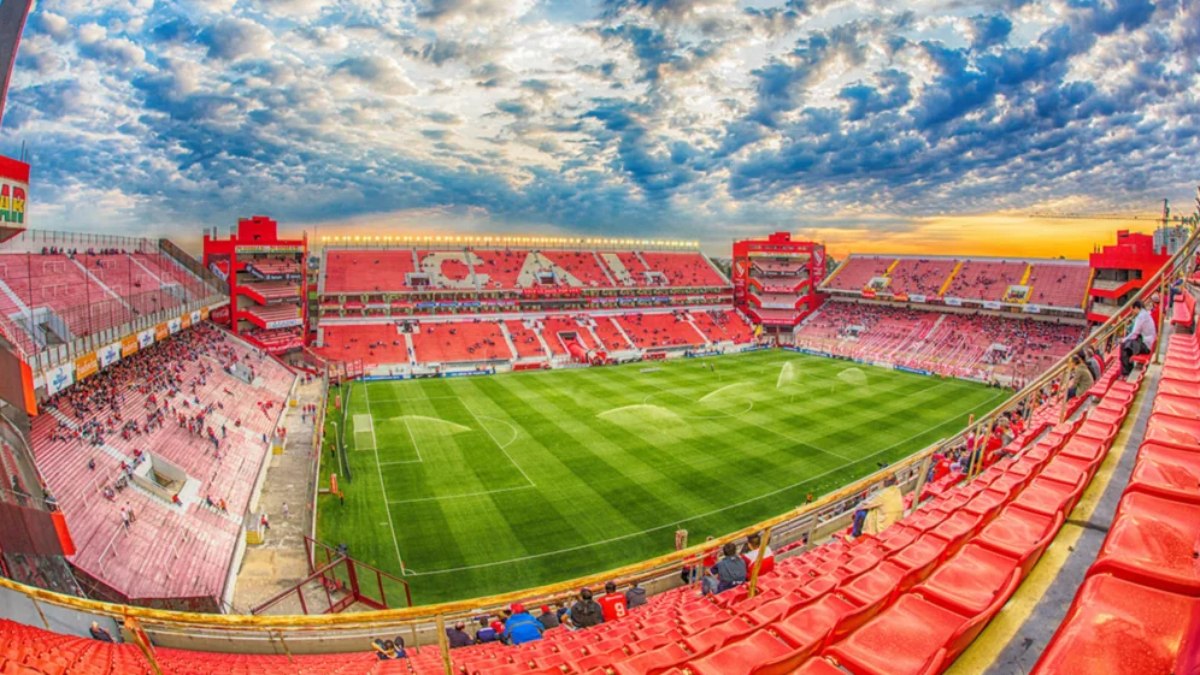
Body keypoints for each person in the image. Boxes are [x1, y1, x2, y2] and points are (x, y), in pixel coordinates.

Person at [1120, 299, 1156, 377]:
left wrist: (1124, 340)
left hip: (1147, 345)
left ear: (1136, 308)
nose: (1132, 312)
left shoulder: (1141, 316)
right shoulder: (1145, 314)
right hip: (1148, 342)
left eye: (1132, 310)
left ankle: (1126, 372)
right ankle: (1127, 369)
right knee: (1129, 344)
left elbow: (1134, 333)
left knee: (1124, 346)